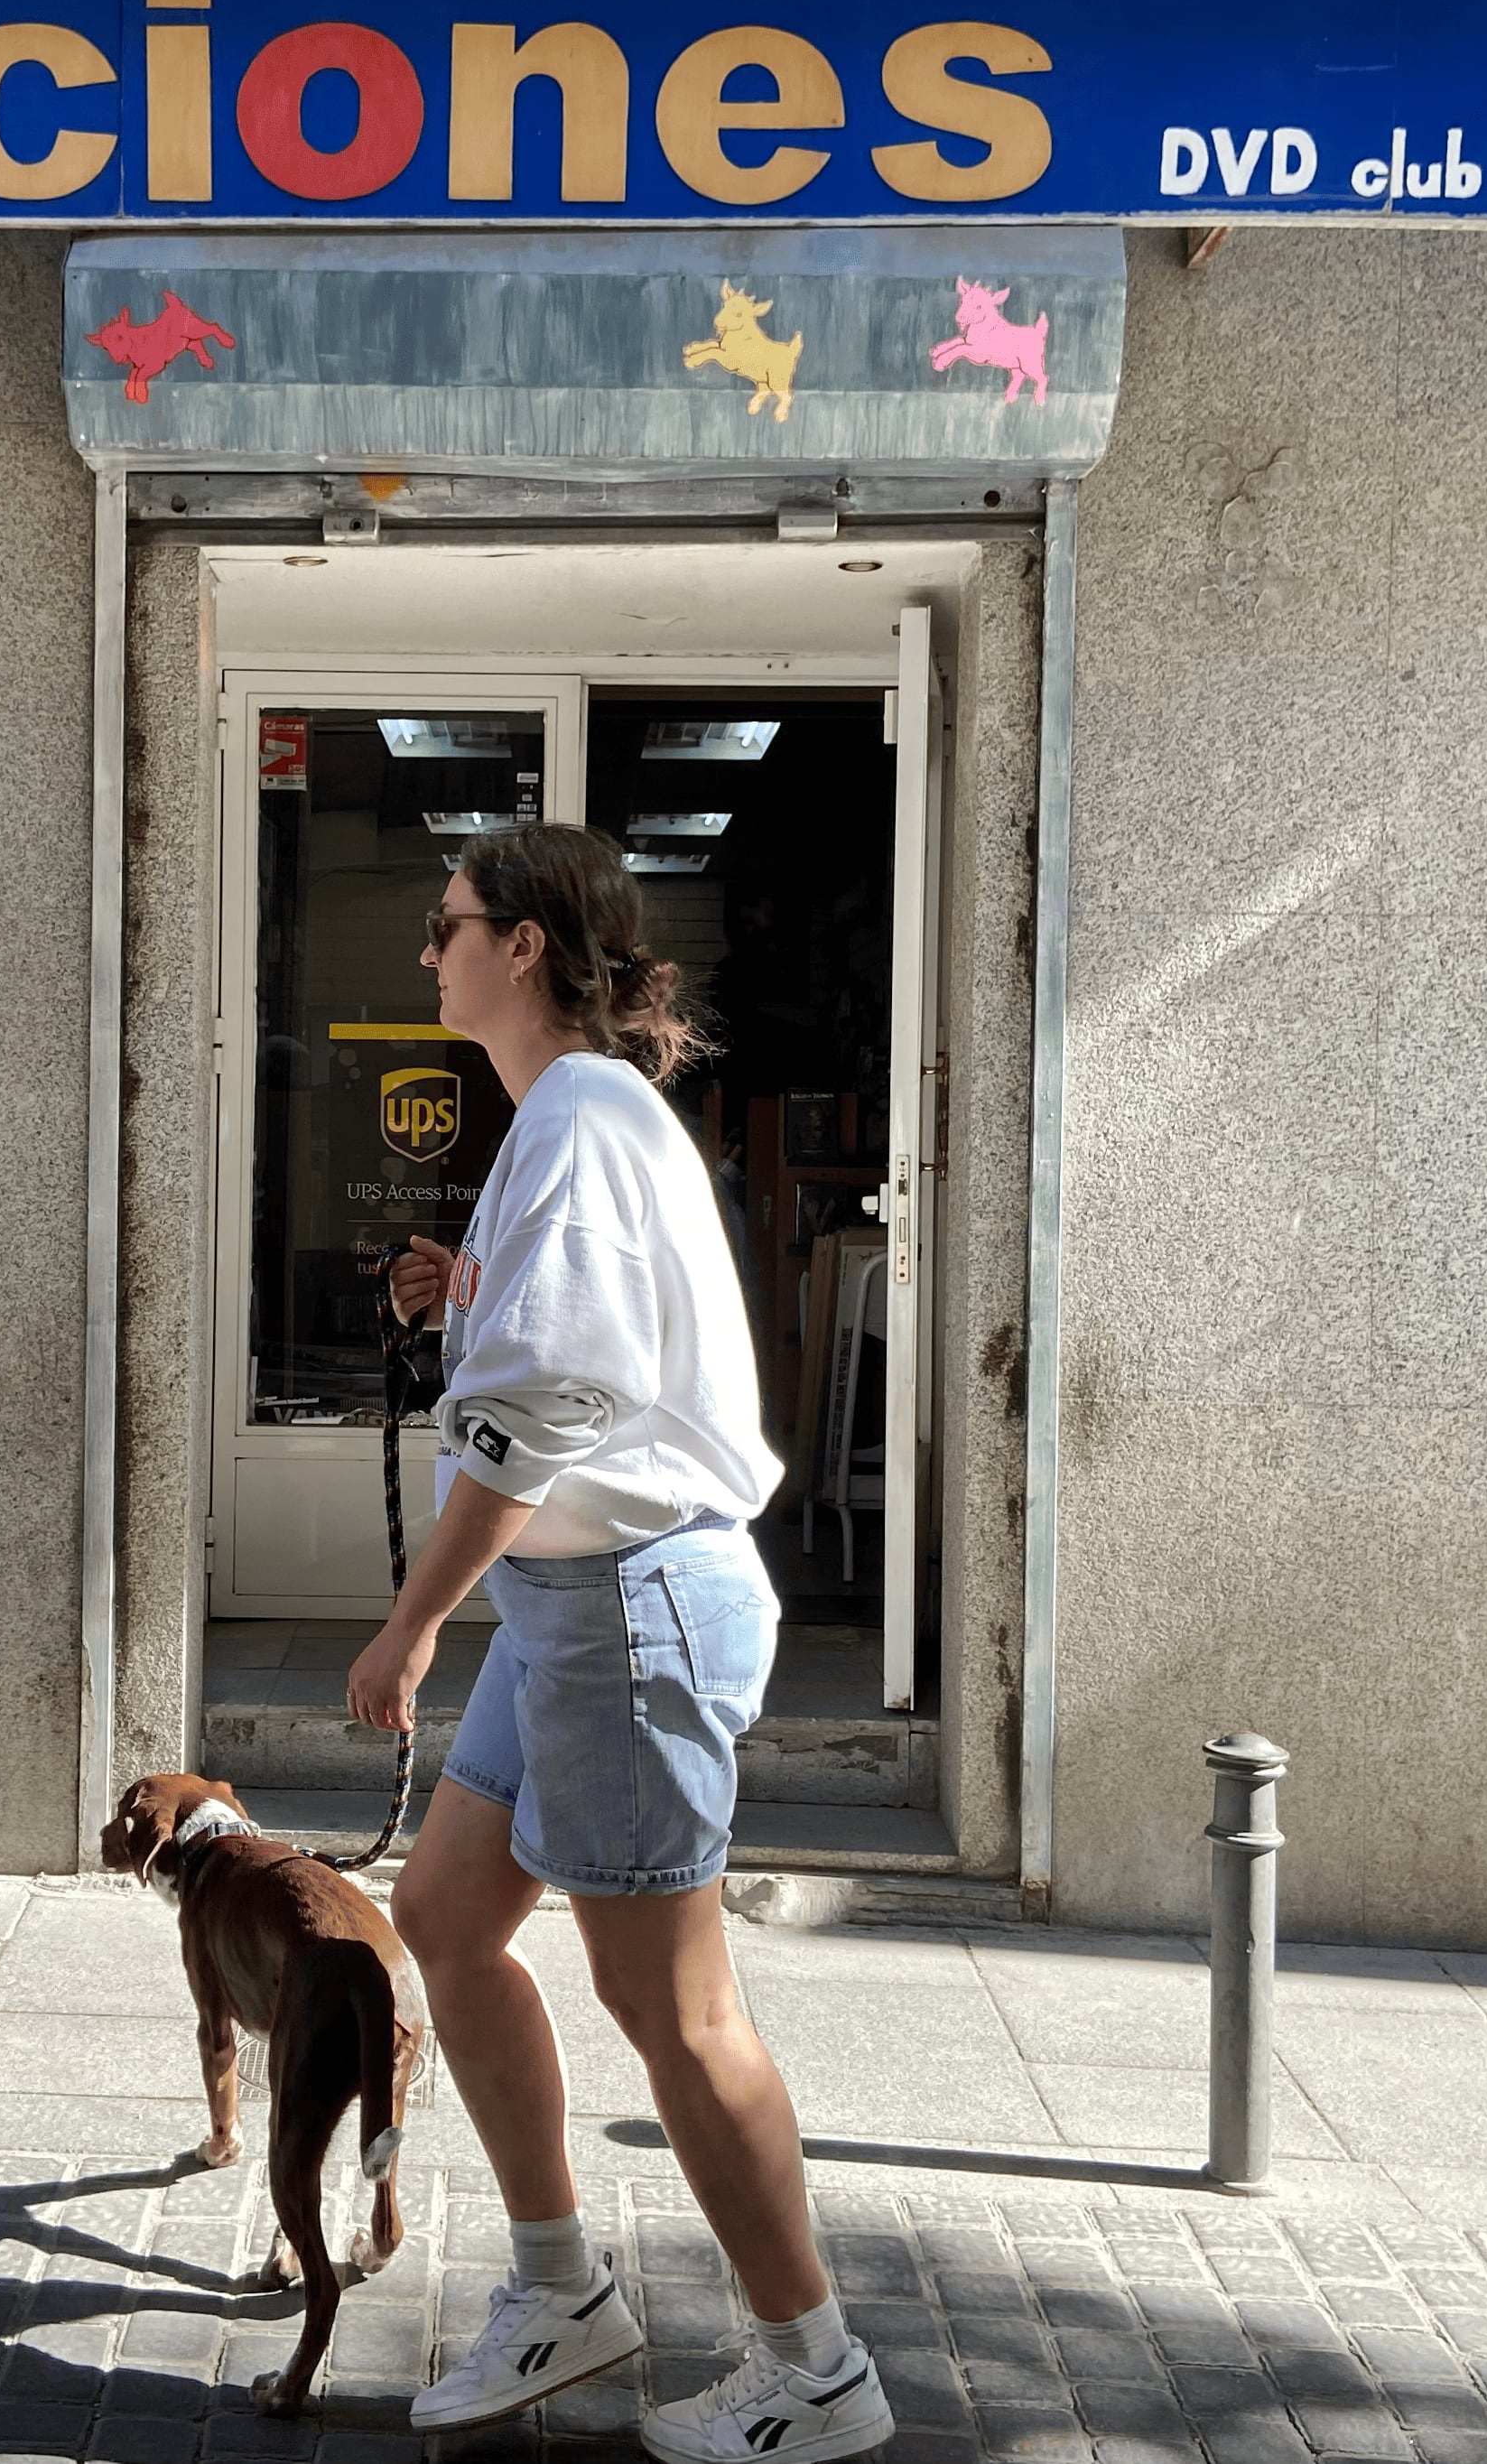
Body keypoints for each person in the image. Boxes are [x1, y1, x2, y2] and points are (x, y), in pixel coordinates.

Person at [349, 823, 891, 2464]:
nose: (427, 953)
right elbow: (581, 1348)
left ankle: (815, 2365)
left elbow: (541, 1415)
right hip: (583, 1605)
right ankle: (562, 2285)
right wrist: (475, 1284)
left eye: (444, 926)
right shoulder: (567, 1116)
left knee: (674, 2006)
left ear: (520, 944)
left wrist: (412, 1620)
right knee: (444, 1910)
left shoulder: (578, 1112)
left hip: (628, 1604)